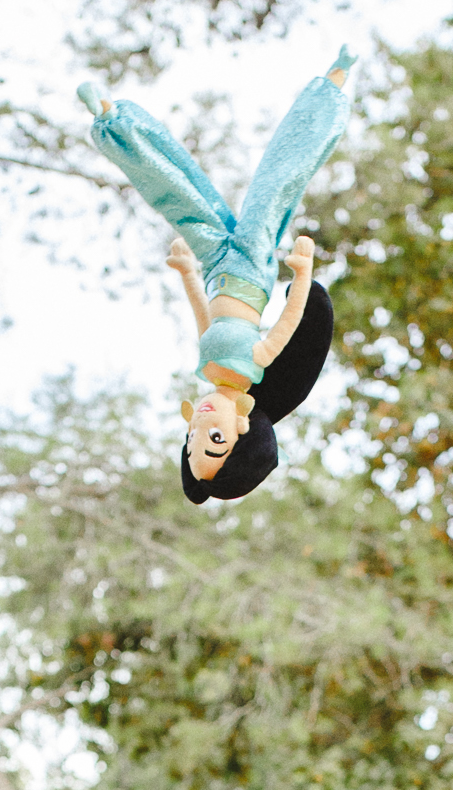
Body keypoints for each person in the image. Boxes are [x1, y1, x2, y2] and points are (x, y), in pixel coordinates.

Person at [79, 49, 354, 503]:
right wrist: (302, 274)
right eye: (214, 441)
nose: (199, 430)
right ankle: (329, 92)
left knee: (181, 198)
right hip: (252, 262)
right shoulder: (255, 361)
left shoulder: (209, 362)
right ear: (242, 427)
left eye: (192, 442)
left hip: (214, 267)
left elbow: (201, 315)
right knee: (277, 181)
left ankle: (115, 123)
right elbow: (291, 322)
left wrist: (188, 272)